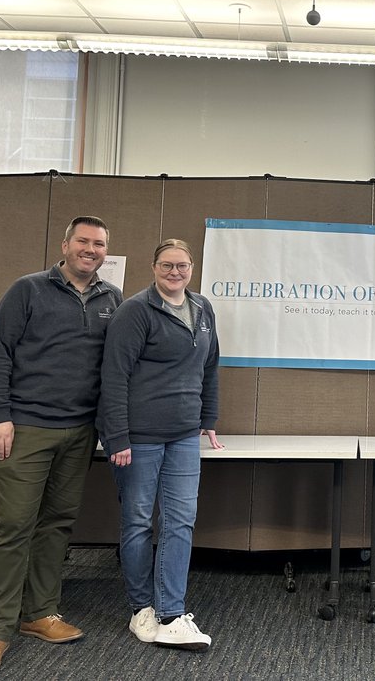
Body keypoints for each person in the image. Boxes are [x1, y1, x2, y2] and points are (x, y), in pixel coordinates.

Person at [0, 216, 122, 674]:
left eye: (98, 244)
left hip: (80, 432)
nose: (90, 249)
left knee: (56, 524)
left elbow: (114, 368)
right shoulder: (28, 289)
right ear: (66, 244)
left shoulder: (112, 299)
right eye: (83, 241)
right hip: (27, 428)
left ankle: (39, 614)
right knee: (13, 525)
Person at [98, 238, 222, 652]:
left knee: (180, 521)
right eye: (167, 265)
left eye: (182, 266)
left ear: (192, 268)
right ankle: (141, 609)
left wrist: (208, 419)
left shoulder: (202, 308)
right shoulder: (135, 311)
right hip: (139, 437)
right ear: (153, 268)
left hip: (184, 434)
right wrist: (116, 435)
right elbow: (113, 376)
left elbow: (210, 366)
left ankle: (170, 612)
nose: (175, 272)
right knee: (138, 522)